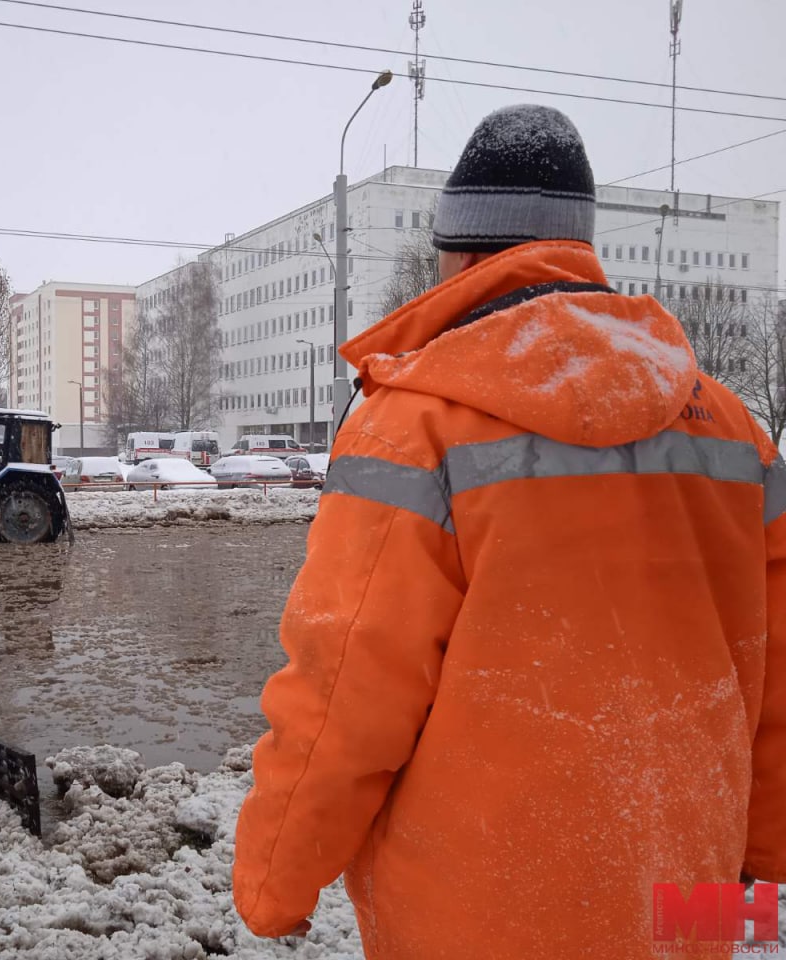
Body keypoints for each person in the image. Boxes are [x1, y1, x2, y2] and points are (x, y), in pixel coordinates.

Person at [233, 104, 785, 958]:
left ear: (460, 255)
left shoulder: (416, 425)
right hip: (687, 895)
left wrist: (275, 880)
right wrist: (763, 853)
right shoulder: (735, 431)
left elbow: (347, 686)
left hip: (479, 915)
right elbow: (777, 675)